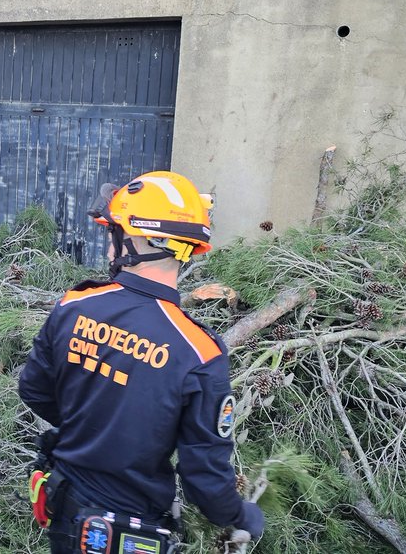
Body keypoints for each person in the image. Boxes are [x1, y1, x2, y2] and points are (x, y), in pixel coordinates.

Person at [18, 171, 264, 553]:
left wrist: (91, 430)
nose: (110, 243)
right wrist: (243, 516)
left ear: (142, 238)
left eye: (115, 231)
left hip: (67, 512)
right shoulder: (199, 351)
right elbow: (205, 478)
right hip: (131, 525)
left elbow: (34, 391)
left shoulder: (74, 305)